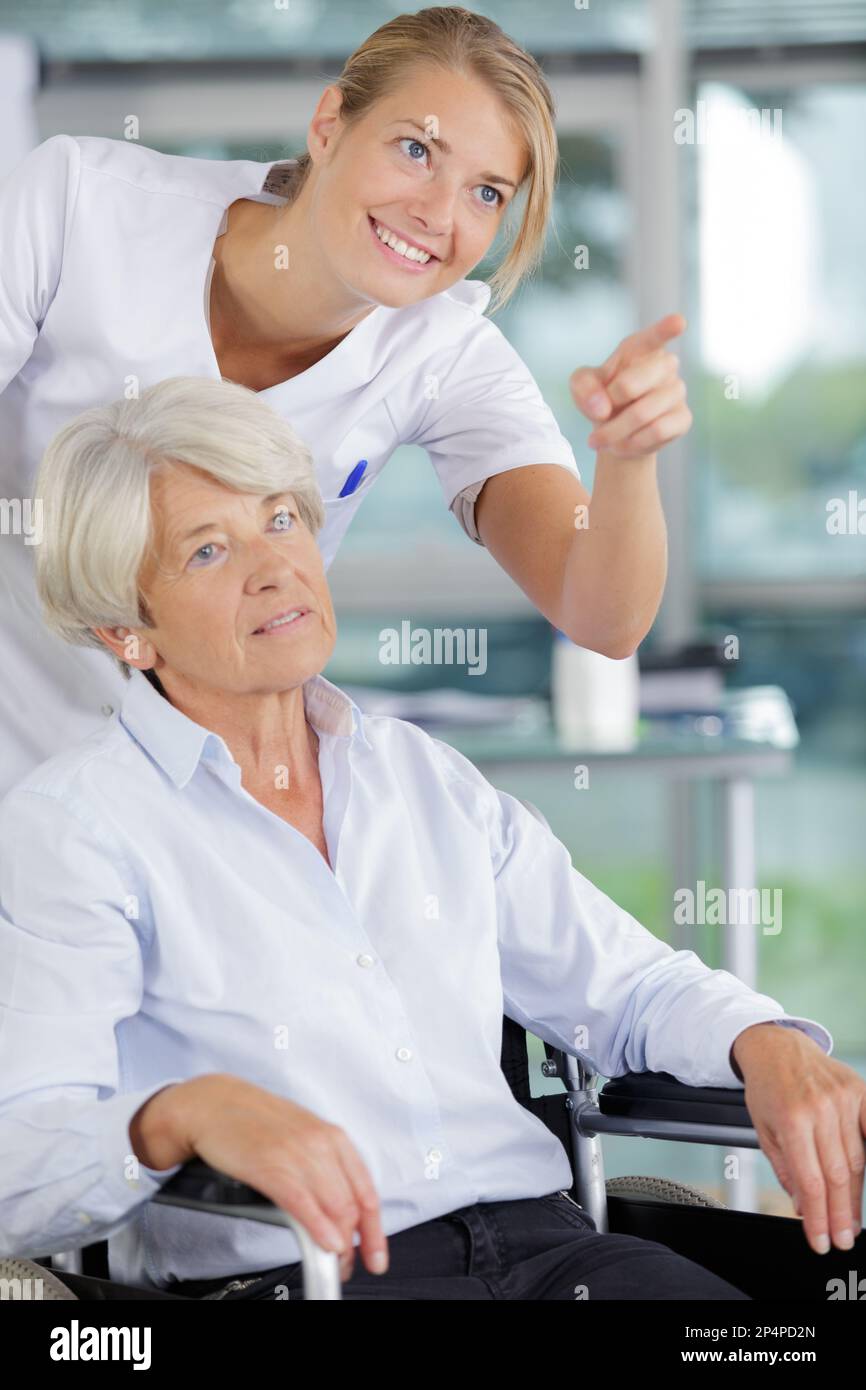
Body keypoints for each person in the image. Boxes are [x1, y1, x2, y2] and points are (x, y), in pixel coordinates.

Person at [0, 375, 856, 1303]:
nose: (274, 566)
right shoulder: (75, 832)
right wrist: (176, 1117)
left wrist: (767, 1043)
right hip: (315, 1277)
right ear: (128, 630)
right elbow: (21, 1171)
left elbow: (631, 987)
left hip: (557, 1254)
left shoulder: (423, 778)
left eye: (282, 519)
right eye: (209, 549)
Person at [0, 4, 690, 801]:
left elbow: (603, 617)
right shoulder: (82, 204)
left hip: (214, 807)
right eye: (415, 149)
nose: (438, 214)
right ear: (329, 124)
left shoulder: (444, 356)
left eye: (488, 193)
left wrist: (630, 461)